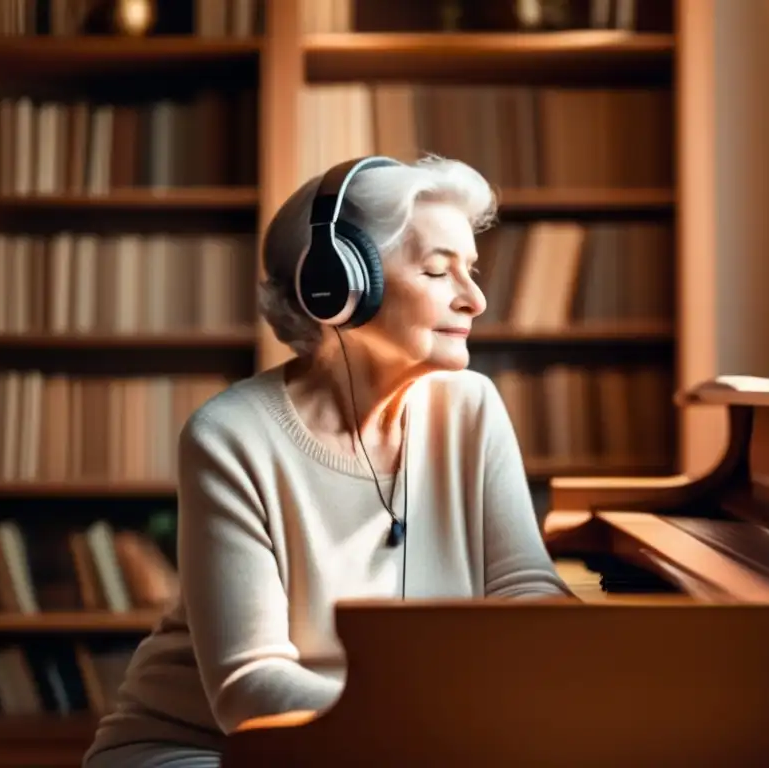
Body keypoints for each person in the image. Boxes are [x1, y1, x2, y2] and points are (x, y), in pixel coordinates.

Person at [82, 155, 573, 768]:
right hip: (207, 746)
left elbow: (523, 587)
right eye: (438, 271)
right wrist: (432, 728)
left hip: (397, 740)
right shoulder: (231, 435)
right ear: (337, 285)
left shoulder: (472, 407)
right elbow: (249, 685)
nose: (474, 299)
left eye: (470, 271)